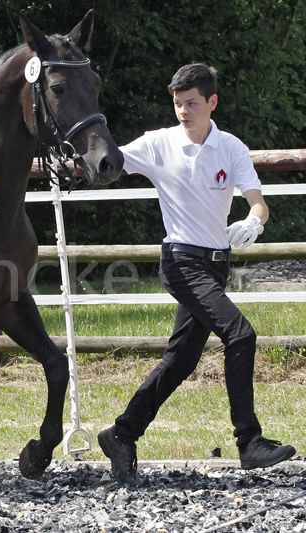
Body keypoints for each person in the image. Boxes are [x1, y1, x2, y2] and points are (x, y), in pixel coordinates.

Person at [98, 63, 296, 485]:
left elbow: (258, 201)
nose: (183, 112)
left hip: (216, 264)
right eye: (177, 104)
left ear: (212, 102)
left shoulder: (232, 148)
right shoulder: (157, 144)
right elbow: (109, 162)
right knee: (240, 334)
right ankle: (250, 442)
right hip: (181, 260)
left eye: (191, 103)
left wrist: (254, 223)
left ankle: (121, 433)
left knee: (181, 361)